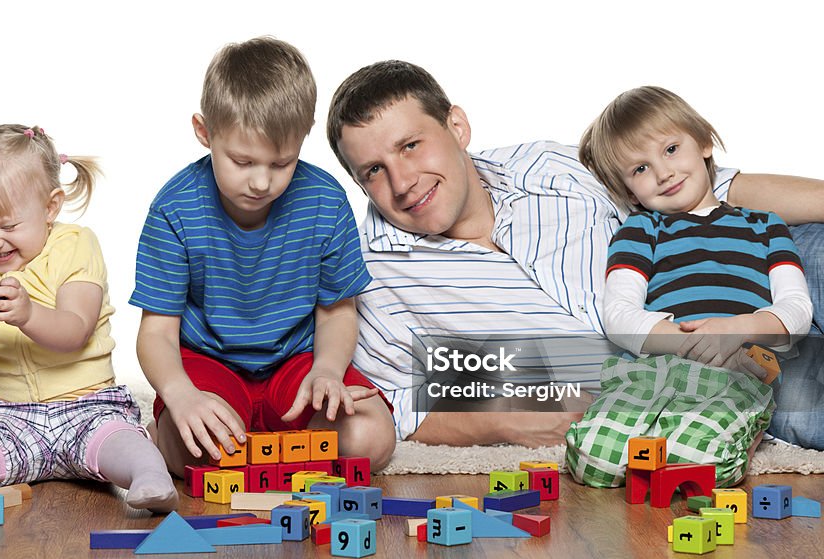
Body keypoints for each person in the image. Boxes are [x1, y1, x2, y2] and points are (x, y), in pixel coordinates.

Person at [326, 60, 824, 449]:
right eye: (373, 170)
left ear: (456, 126)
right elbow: (406, 411)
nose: (402, 181)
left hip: (731, 274)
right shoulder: (372, 280)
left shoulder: (548, 166)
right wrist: (500, 419)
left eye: (411, 145)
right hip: (679, 373)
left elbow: (709, 190)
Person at [132, 37, 396, 478]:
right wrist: (181, 393)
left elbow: (337, 312)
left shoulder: (325, 202)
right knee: (188, 451)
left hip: (298, 364)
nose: (260, 182)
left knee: (371, 438)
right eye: (242, 160)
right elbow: (157, 330)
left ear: (303, 136)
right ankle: (269, 447)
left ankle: (276, 446)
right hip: (208, 364)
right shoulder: (174, 208)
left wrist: (328, 371)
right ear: (204, 132)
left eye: (281, 163)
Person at [0, 124, 177, 516]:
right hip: (4, 416)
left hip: (86, 405)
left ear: (50, 207)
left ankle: (150, 479)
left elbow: (76, 328)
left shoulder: (74, 245)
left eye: (8, 226)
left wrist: (28, 314)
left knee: (122, 441)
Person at [564, 86, 812, 486]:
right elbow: (620, 314)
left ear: (704, 143)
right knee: (594, 459)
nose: (663, 172)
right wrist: (687, 343)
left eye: (671, 149)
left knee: (699, 462)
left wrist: (738, 330)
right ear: (630, 192)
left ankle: (748, 428)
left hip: (735, 368)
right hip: (654, 366)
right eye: (640, 169)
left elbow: (796, 308)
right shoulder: (641, 229)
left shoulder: (766, 225)